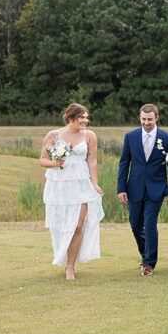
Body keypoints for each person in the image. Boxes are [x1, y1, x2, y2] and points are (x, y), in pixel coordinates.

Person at [40, 103, 104, 280]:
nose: (85, 120)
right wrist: (56, 163)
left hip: (81, 183)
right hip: (60, 184)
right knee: (62, 225)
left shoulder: (90, 135)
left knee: (78, 226)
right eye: (82, 117)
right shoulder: (54, 135)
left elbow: (92, 161)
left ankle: (70, 266)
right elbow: (43, 160)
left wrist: (95, 183)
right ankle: (63, 256)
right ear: (70, 118)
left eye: (86, 117)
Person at [117, 103, 168, 277]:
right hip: (134, 187)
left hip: (156, 188)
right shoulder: (131, 137)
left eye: (150, 119)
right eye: (143, 119)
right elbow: (124, 163)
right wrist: (121, 188)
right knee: (136, 225)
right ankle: (146, 255)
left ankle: (149, 263)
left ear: (156, 118)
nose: (146, 122)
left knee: (149, 223)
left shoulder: (167, 138)